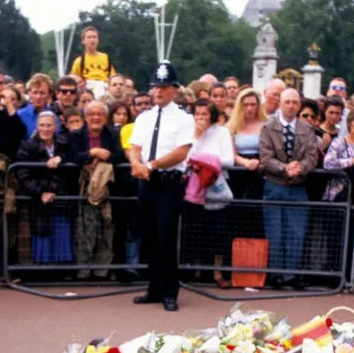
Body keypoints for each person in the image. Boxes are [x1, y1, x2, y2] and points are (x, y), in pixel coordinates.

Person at [128, 61, 195, 311]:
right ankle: (153, 288)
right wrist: (136, 164)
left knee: (166, 237)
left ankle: (169, 292)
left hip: (168, 182)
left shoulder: (184, 119)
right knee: (148, 237)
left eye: (164, 87)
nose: (158, 91)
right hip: (147, 182)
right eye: (156, 86)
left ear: (174, 90)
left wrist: (151, 165)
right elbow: (134, 147)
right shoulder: (144, 118)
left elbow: (181, 152)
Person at [259, 87, 319, 288]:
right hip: (274, 184)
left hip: (298, 186)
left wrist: (299, 168)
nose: (291, 106)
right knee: (274, 231)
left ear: (299, 105)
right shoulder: (268, 128)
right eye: (287, 102)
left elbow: (312, 156)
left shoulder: (307, 129)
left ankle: (292, 275)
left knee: (297, 231)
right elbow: (265, 157)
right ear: (280, 104)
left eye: (294, 102)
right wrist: (284, 168)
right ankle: (275, 274)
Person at [69, 100, 124, 278]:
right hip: (83, 189)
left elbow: (120, 155)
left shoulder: (113, 133)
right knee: (85, 229)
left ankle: (101, 271)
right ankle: (83, 271)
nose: (95, 117)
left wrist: (103, 158)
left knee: (106, 228)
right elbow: (72, 156)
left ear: (106, 117)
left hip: (107, 188)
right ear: (85, 117)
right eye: (91, 114)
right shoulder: (76, 135)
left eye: (100, 114)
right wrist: (92, 153)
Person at [186, 98, 236, 288]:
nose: (200, 118)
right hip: (194, 188)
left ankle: (217, 272)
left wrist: (204, 162)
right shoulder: (189, 132)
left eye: (204, 114)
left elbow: (229, 160)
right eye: (197, 114)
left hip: (217, 185)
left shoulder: (222, 132)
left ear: (212, 115)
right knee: (196, 230)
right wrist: (196, 137)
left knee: (218, 232)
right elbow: (185, 158)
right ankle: (197, 270)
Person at [16, 111, 74, 268]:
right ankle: (42, 269)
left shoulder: (64, 144)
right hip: (38, 199)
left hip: (60, 198)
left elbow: (73, 161)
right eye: (42, 125)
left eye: (49, 125)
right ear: (37, 126)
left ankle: (63, 269)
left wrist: (61, 158)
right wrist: (40, 192)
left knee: (61, 233)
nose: (45, 129)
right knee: (41, 234)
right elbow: (23, 175)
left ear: (55, 127)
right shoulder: (27, 146)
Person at [227, 87, 264, 199]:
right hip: (237, 170)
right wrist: (245, 162)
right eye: (246, 105)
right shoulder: (231, 126)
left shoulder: (266, 125)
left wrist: (258, 162)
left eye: (253, 104)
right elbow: (231, 153)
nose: (249, 108)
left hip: (260, 168)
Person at [70, 26, 115, 98]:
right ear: (83, 41)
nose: (92, 39)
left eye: (94, 37)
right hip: (88, 89)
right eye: (89, 37)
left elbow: (113, 77)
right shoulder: (79, 61)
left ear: (98, 40)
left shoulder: (105, 57)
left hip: (105, 88)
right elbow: (73, 78)